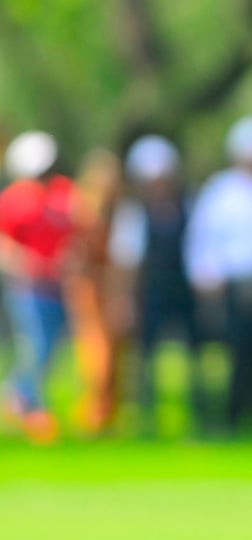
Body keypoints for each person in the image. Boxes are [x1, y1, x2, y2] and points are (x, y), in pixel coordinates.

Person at [185, 115, 252, 436]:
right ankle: (236, 416)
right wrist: (205, 274)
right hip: (238, 284)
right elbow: (203, 236)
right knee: (241, 352)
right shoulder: (222, 190)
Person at [111, 134, 207, 436]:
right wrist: (125, 301)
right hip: (149, 291)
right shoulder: (134, 213)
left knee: (194, 354)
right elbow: (127, 260)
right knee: (145, 356)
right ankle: (146, 416)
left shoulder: (188, 205)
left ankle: (198, 416)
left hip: (183, 290)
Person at [0, 131, 77, 443]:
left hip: (60, 286)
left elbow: (77, 230)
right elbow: (4, 245)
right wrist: (28, 263)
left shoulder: (64, 193)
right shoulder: (12, 199)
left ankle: (18, 398)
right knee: (37, 345)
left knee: (54, 347)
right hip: (27, 288)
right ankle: (31, 406)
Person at [64, 148, 129, 435]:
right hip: (89, 291)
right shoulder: (81, 209)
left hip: (111, 288)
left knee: (115, 356)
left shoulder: (120, 210)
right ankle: (93, 414)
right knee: (95, 355)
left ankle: (107, 415)